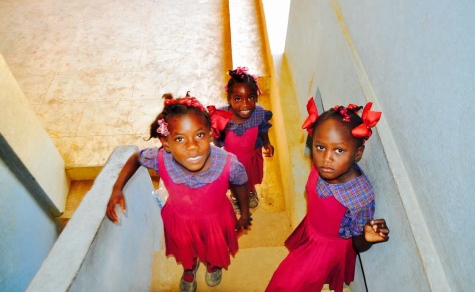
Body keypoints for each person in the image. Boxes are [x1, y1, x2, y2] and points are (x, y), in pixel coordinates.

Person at [106, 93, 252, 292]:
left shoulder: (228, 163)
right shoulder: (160, 159)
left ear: (211, 133)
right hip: (180, 221)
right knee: (186, 248)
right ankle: (190, 268)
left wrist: (245, 213)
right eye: (180, 138)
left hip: (216, 220)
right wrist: (117, 188)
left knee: (214, 246)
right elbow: (136, 159)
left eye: (199, 135)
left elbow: (242, 183)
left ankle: (212, 264)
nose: (192, 146)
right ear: (166, 143)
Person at [265, 98, 390, 292]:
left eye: (339, 150)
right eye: (320, 147)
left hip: (324, 251)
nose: (326, 158)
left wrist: (366, 237)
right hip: (311, 229)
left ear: (358, 153)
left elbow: (358, 244)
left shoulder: (360, 196)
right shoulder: (324, 167)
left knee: (282, 285)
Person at [209, 66, 274, 211]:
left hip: (251, 157)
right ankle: (235, 196)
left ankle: (250, 193)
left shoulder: (259, 113)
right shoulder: (222, 116)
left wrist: (267, 143)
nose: (245, 104)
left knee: (249, 178)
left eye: (250, 97)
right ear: (229, 99)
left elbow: (263, 128)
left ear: (257, 97)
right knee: (234, 181)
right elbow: (216, 136)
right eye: (238, 99)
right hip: (232, 160)